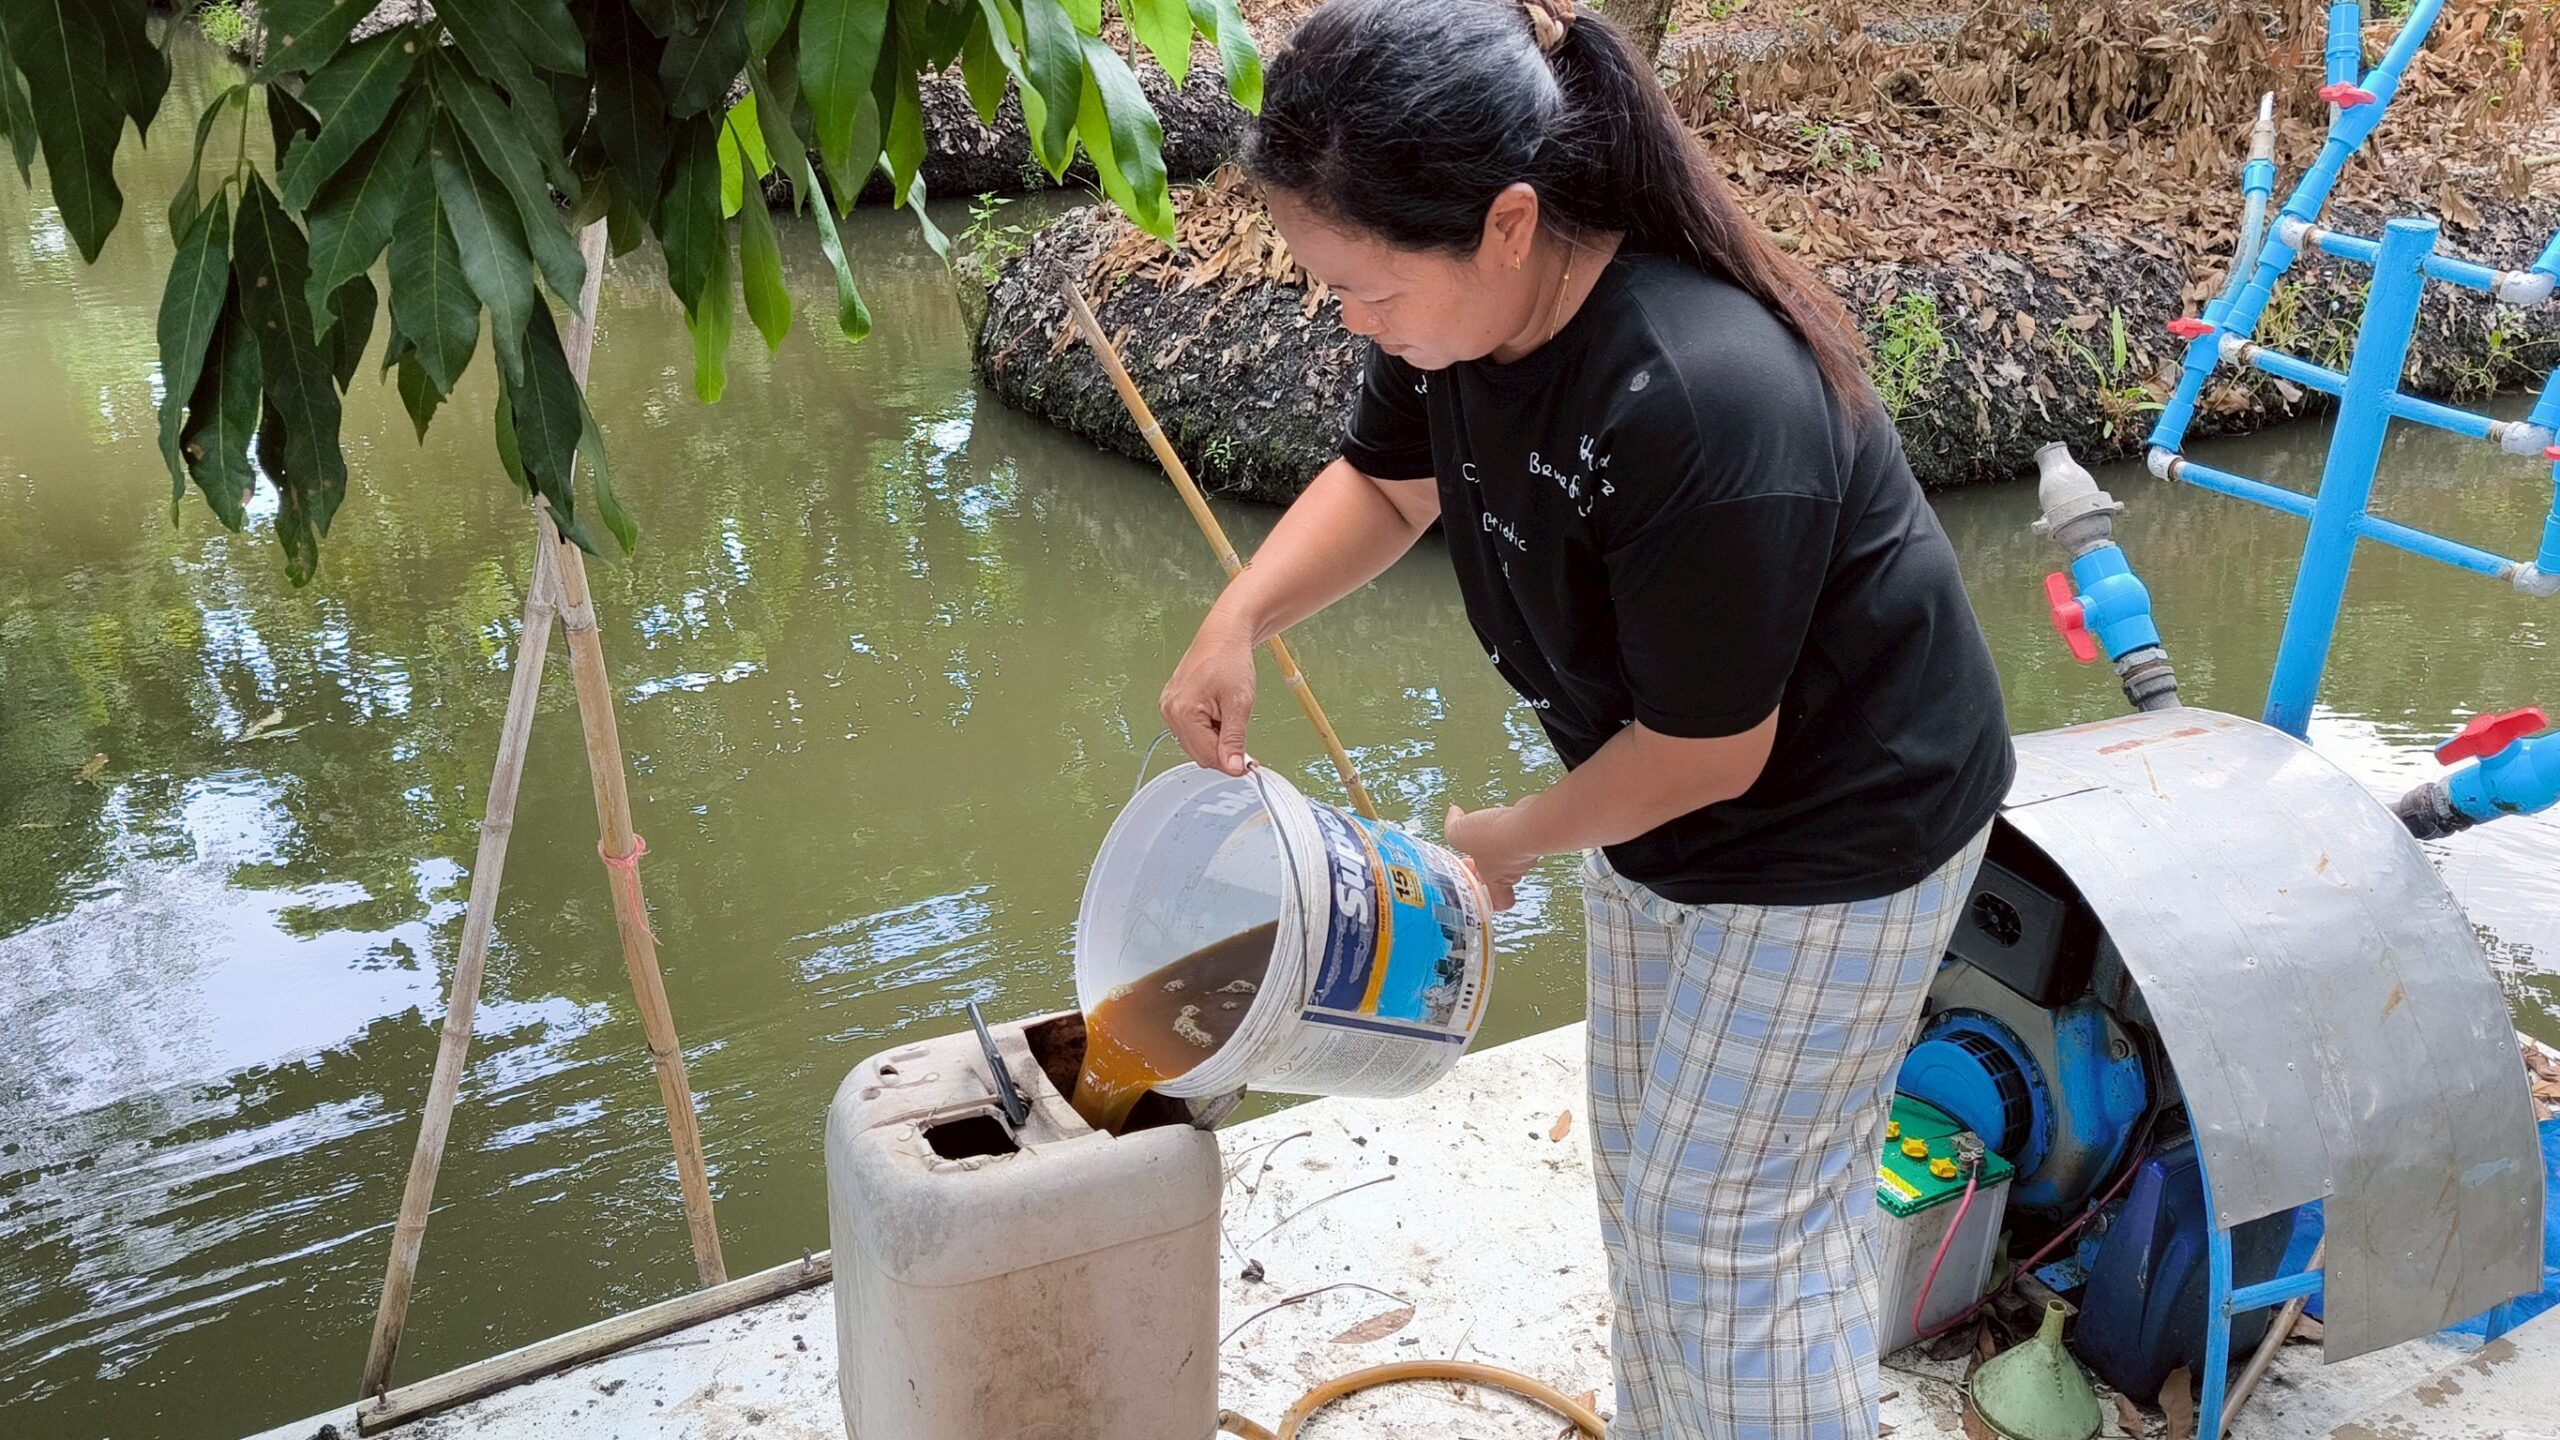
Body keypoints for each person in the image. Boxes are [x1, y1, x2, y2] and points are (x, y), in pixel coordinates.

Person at [1155, 0, 2014, 1434]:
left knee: (1727, 1239)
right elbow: (1388, 484)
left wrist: (1513, 836)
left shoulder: (1698, 395)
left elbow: (1713, 750)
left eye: (1368, 294)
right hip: (1657, 795)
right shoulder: (1449, 319)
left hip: (1836, 830)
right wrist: (1238, 616)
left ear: (1506, 221)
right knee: (1653, 1194)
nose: (1356, 322)